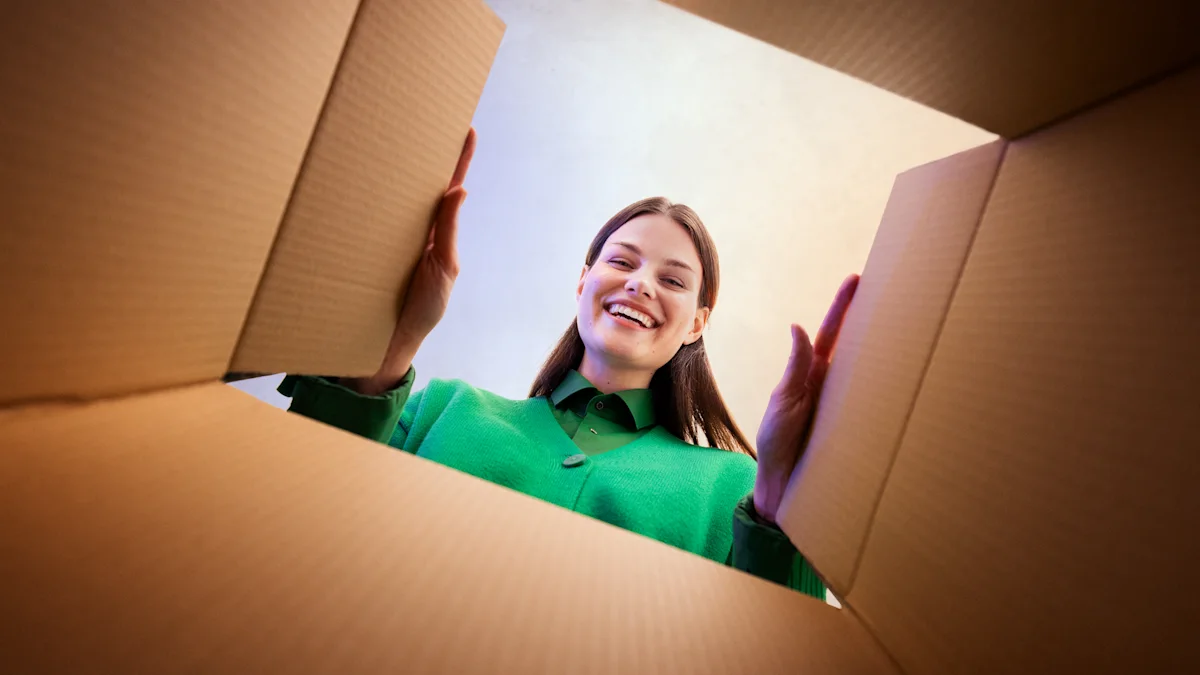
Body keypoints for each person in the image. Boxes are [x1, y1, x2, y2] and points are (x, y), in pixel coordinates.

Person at [280, 129, 859, 599]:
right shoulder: (440, 409)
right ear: (584, 282)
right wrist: (393, 343)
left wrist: (783, 492)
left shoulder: (732, 491)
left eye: (673, 280)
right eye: (622, 262)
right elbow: (297, 504)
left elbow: (783, 646)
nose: (639, 284)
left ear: (698, 324)